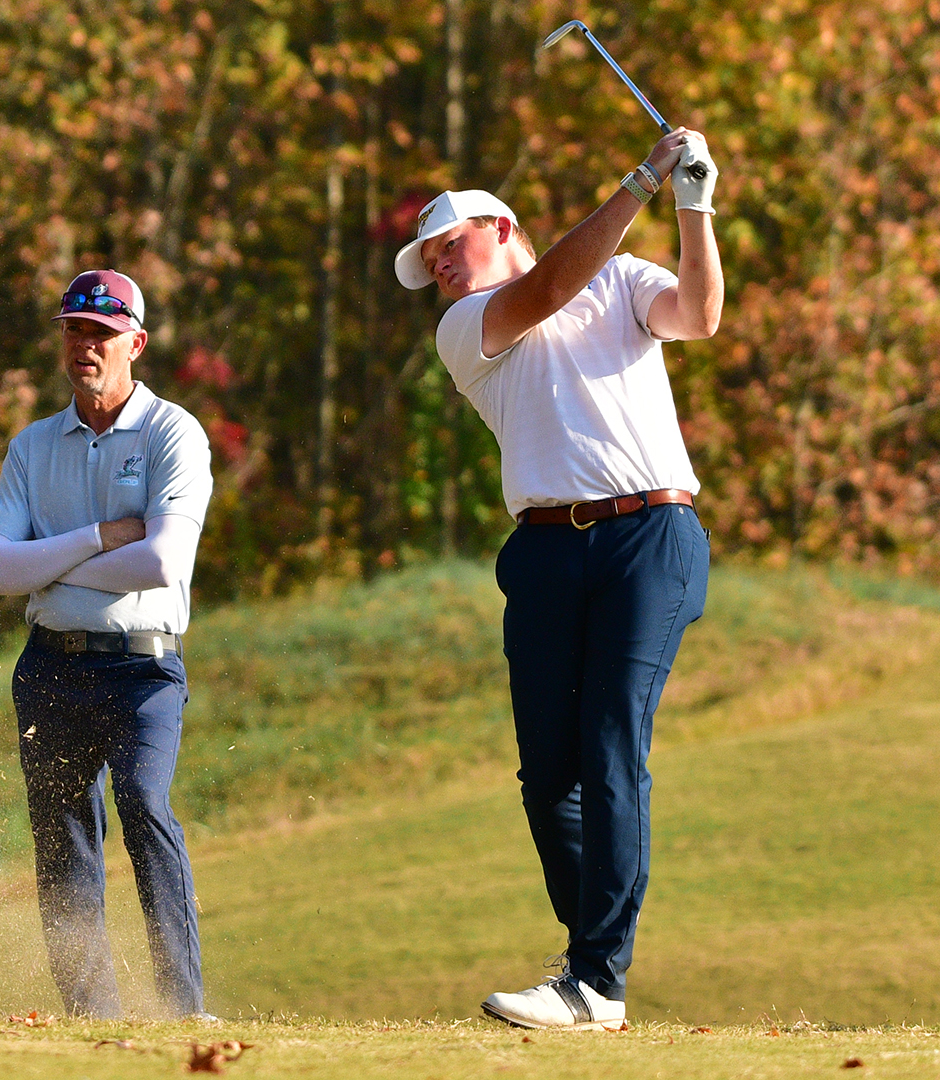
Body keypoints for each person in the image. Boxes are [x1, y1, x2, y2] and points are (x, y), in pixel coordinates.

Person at [393, 128, 722, 1030]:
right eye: (431, 263)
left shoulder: (620, 279)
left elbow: (699, 316)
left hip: (648, 534)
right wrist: (644, 179)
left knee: (612, 744)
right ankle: (591, 968)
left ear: (501, 225)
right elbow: (545, 289)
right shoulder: (466, 328)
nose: (444, 270)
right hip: (541, 552)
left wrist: (694, 209)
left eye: (451, 248)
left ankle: (594, 980)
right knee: (550, 776)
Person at [0, 269, 214, 1019]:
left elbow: (163, 561)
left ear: (135, 343)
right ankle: (90, 1016)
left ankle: (181, 1008)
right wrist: (101, 536)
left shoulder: (173, 431)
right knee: (63, 833)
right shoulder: (33, 445)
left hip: (143, 667)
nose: (86, 345)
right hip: (49, 667)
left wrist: (49, 568)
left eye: (103, 334)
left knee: (145, 805)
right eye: (75, 330)